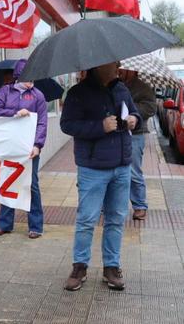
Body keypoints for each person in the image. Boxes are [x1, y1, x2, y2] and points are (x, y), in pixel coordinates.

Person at [61, 61, 140, 292]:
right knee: (87, 220)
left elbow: (134, 112)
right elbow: (67, 125)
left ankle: (112, 267)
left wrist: (135, 119)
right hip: (93, 168)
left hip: (122, 166)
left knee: (116, 219)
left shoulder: (122, 88)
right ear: (98, 65)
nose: (117, 66)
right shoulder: (79, 92)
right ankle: (79, 267)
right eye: (112, 63)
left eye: (117, 62)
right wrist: (99, 126)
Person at [0, 59, 48, 239]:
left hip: (28, 148)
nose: (31, 80)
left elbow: (42, 122)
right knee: (7, 182)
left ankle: (36, 225)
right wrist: (14, 113)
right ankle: (5, 223)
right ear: (18, 76)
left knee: (32, 185)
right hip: (9, 145)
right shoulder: (4, 91)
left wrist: (37, 145)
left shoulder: (38, 96)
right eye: (27, 76)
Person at [118, 68, 156, 220]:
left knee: (133, 171)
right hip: (117, 132)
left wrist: (130, 110)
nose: (120, 71)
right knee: (114, 170)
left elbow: (150, 107)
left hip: (136, 134)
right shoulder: (115, 85)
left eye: (123, 69)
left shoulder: (143, 87)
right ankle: (106, 205)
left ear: (132, 71)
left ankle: (140, 205)